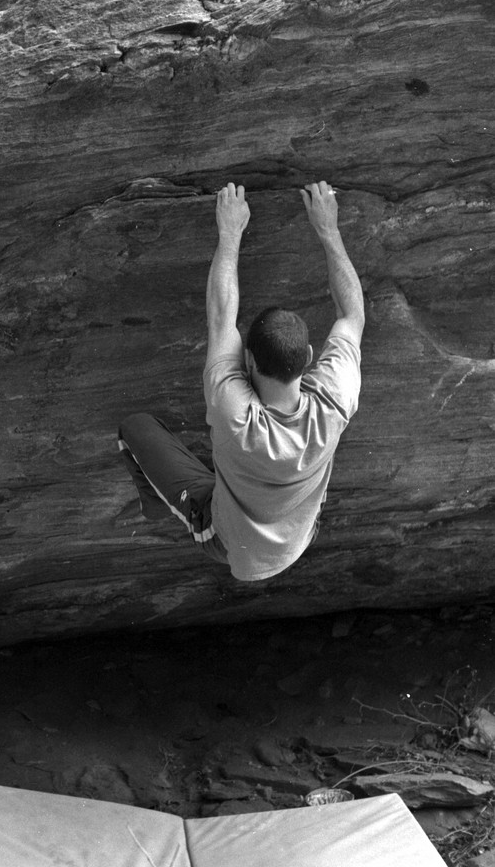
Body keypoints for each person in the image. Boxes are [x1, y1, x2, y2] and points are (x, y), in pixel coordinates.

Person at [118, 181, 364, 582]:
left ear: (247, 359)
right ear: (308, 358)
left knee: (134, 429)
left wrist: (230, 233)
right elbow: (351, 315)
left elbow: (221, 317)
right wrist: (328, 229)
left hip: (235, 549)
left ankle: (160, 503)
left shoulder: (234, 412)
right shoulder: (334, 401)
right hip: (299, 536)